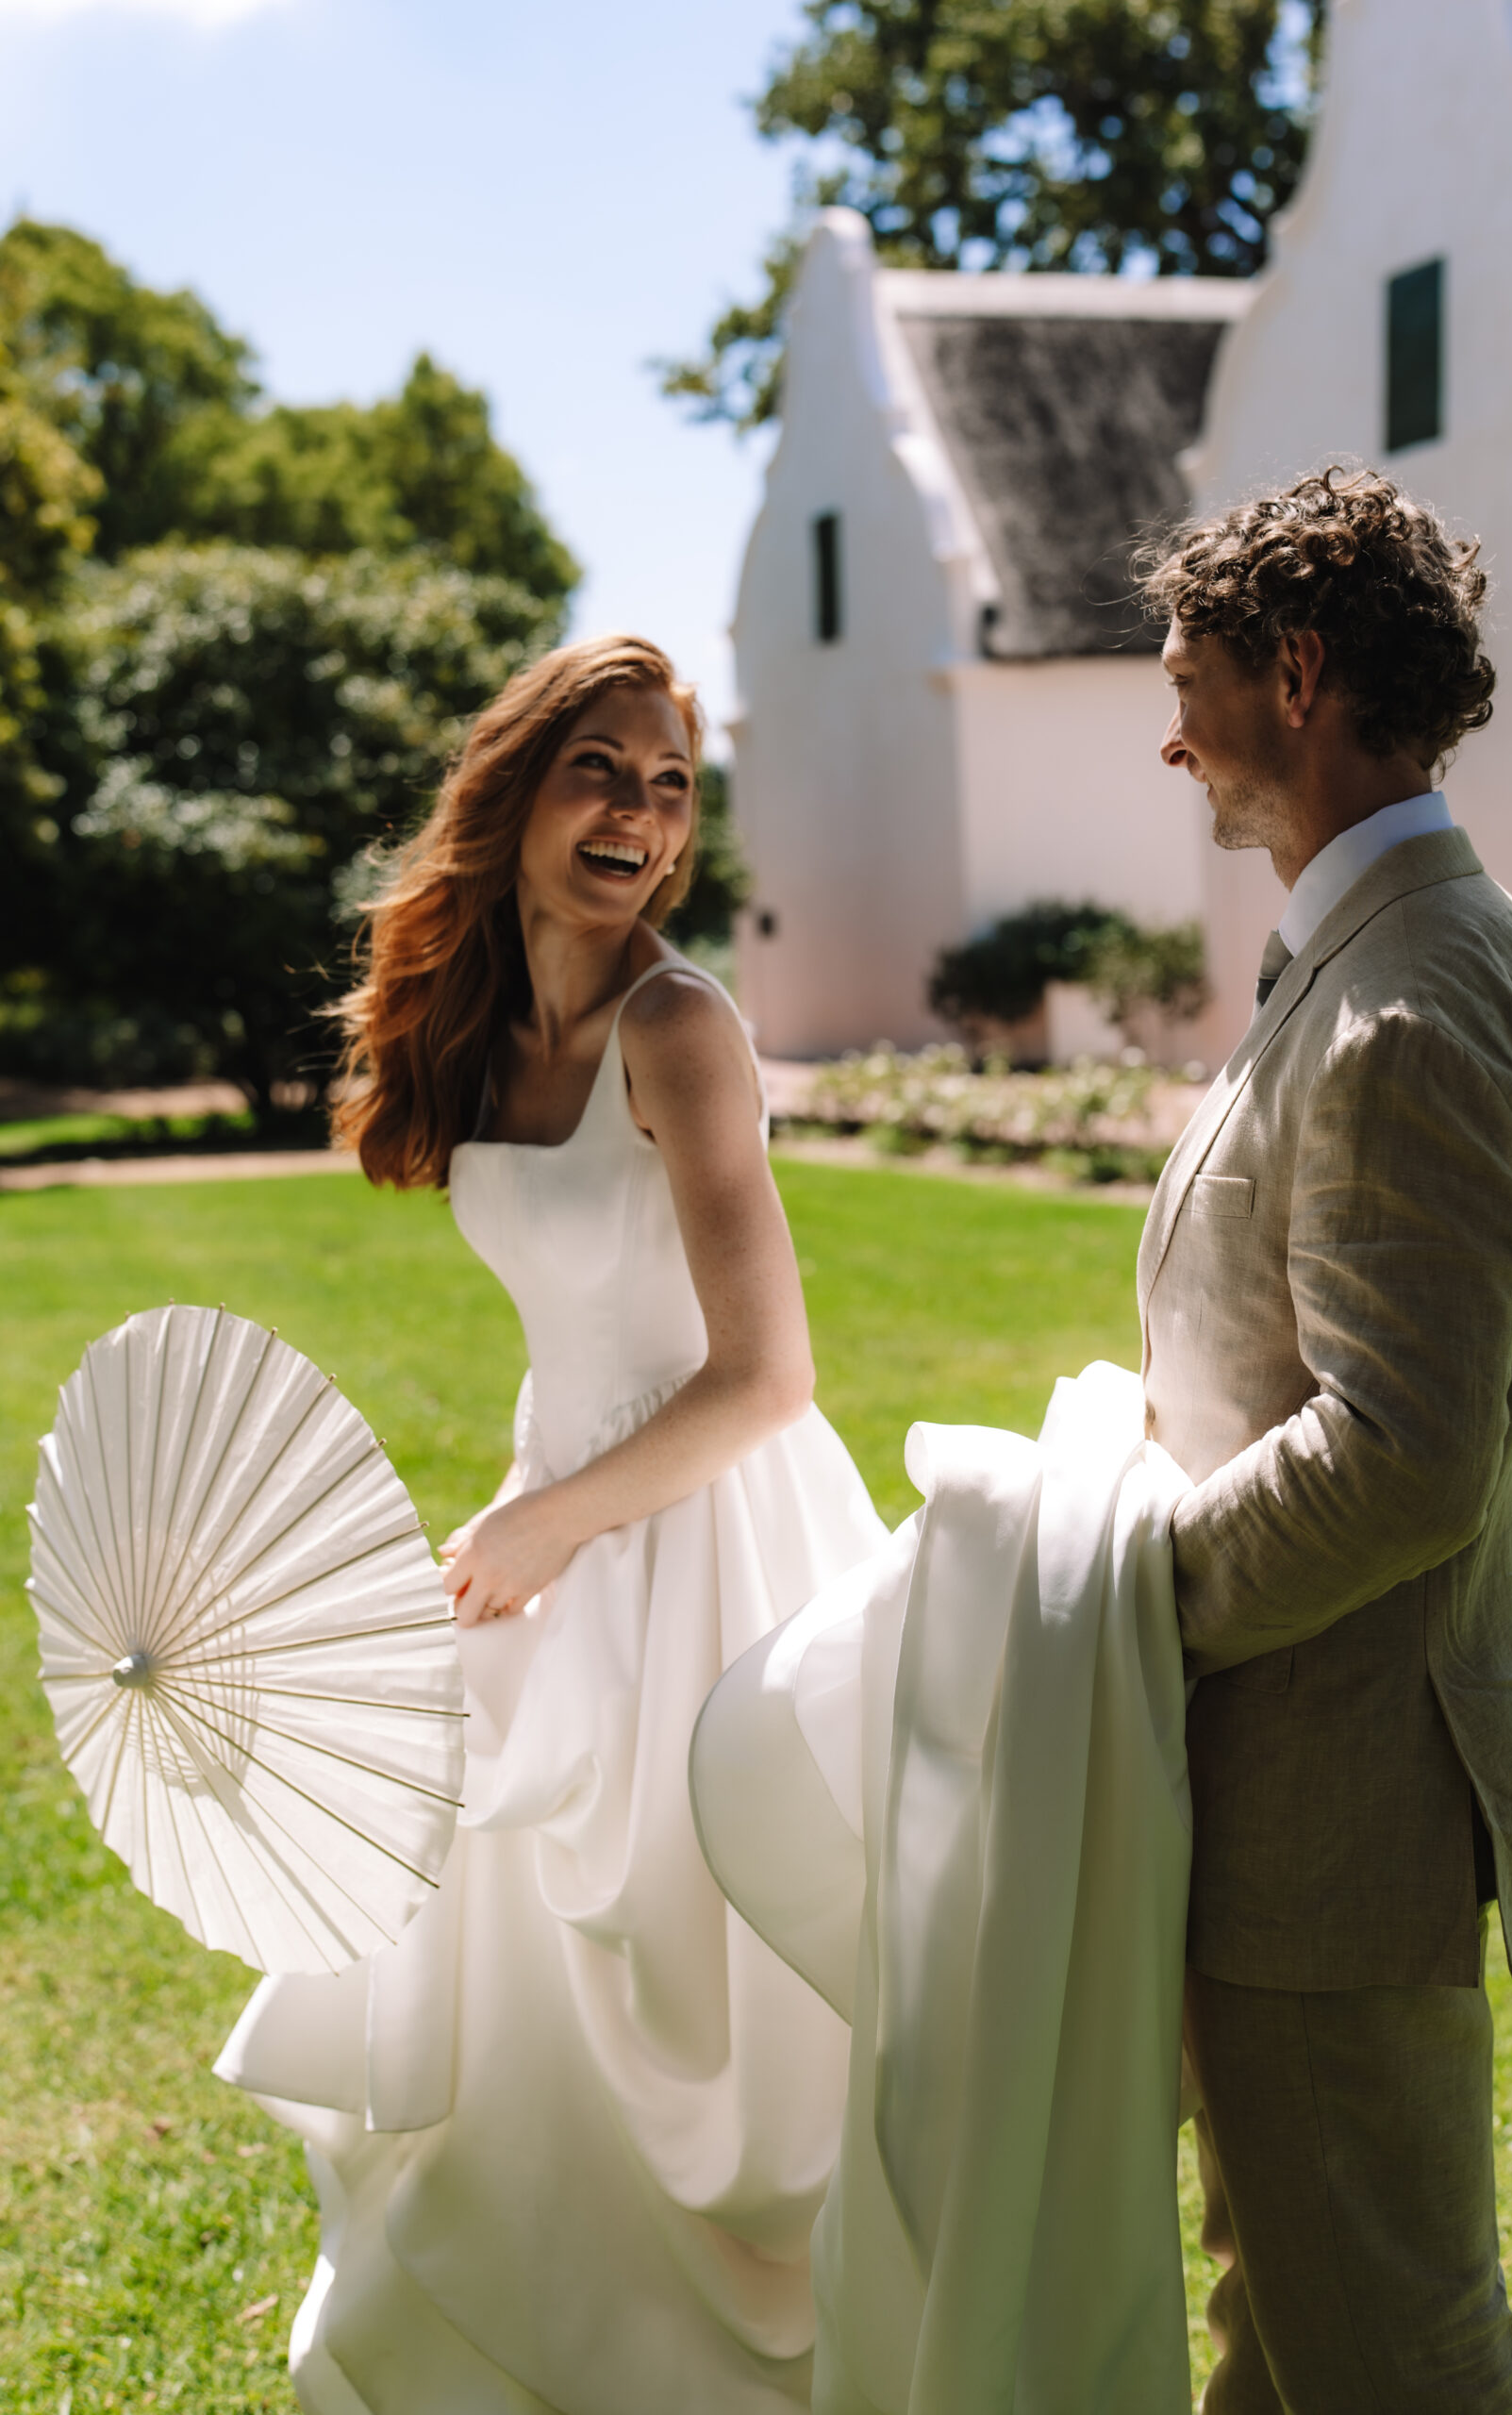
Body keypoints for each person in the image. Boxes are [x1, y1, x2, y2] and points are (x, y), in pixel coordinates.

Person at [215, 634, 887, 2415]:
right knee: (512, 1959)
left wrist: (557, 1528)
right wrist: (533, 1521)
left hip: (704, 1540)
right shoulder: (489, 1023)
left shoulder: (679, 1026)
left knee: (680, 1969)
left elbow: (767, 1378)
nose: (644, 816)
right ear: (516, 791)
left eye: (672, 786)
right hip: (563, 1516)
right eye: (605, 768)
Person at [1140, 468, 1512, 2411]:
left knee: (1387, 2354)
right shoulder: (1399, 949)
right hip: (1316, 1777)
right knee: (1295, 2331)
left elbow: (1402, 1450)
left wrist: (1117, 1592)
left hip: (1337, 1799)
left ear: (1297, 672)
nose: (1167, 732)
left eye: (1187, 681)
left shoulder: (1402, 998)